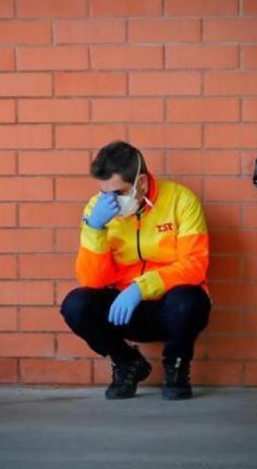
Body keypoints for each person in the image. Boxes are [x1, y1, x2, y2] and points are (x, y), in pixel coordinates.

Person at [61, 141, 211, 400]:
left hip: (171, 306)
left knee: (190, 300)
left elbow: (195, 265)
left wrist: (141, 287)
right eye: (103, 193)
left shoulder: (181, 200)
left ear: (140, 183)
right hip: (124, 309)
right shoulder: (97, 211)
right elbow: (92, 280)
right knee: (76, 304)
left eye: (118, 193)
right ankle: (127, 362)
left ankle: (176, 368)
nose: (109, 201)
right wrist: (95, 228)